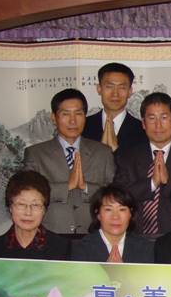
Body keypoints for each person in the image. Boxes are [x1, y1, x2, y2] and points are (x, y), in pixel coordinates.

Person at [23, 88, 115, 235]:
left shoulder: (103, 152)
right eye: (65, 114)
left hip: (94, 235)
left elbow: (114, 193)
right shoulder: (35, 154)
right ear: (54, 117)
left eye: (78, 114)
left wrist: (85, 187)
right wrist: (67, 186)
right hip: (50, 235)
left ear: (85, 116)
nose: (73, 121)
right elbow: (28, 194)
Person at [113, 92, 171, 236]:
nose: (158, 125)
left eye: (164, 117)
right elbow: (119, 198)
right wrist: (152, 183)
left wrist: (168, 182)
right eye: (151, 118)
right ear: (143, 123)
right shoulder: (126, 158)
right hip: (133, 237)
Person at [0, 170, 70, 260]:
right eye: (21, 204)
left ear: (44, 210)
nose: (28, 212)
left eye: (35, 205)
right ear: (10, 207)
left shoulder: (62, 247)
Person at [71, 185, 154, 263]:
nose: (115, 217)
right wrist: (108, 269)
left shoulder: (145, 247)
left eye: (122, 209)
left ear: (130, 214)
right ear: (98, 214)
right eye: (108, 209)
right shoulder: (81, 248)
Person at [82, 62, 147, 153]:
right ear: (99, 89)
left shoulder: (143, 130)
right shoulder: (83, 126)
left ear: (130, 91)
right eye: (109, 86)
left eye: (122, 87)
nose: (115, 94)